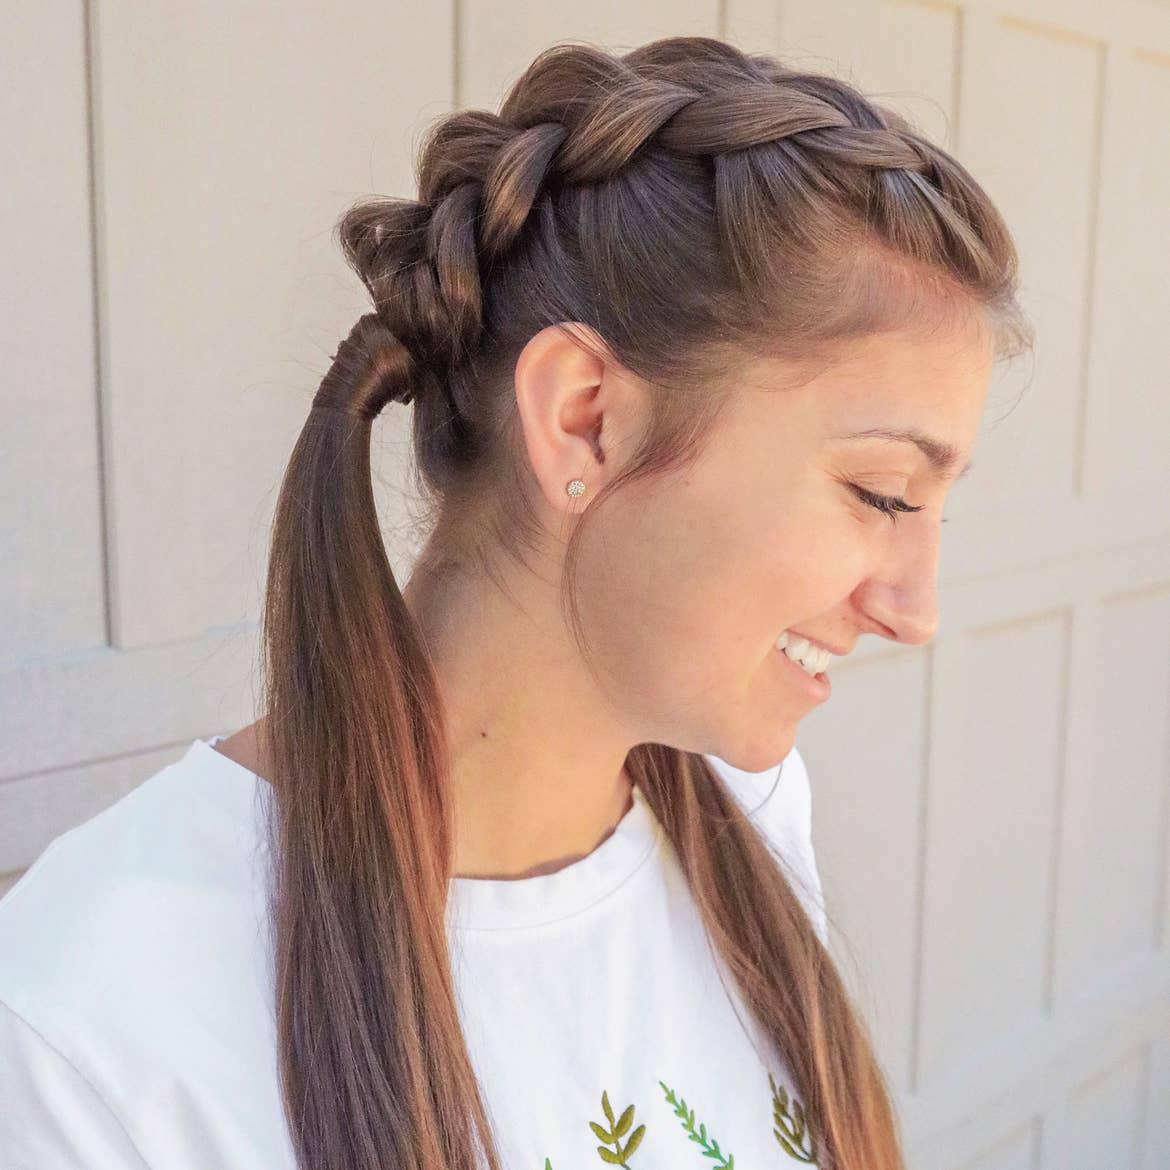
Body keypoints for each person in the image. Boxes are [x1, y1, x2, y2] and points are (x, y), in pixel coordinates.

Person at [0, 33, 1032, 1170]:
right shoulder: (88, 1019)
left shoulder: (751, 813)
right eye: (883, 494)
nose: (914, 608)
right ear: (586, 417)